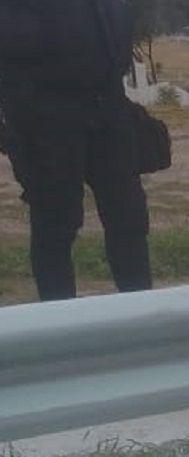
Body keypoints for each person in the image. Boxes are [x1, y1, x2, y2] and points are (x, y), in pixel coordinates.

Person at [0, 0, 152, 301]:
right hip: (47, 117)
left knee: (128, 216)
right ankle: (59, 325)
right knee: (56, 222)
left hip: (108, 105)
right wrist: (21, 121)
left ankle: (140, 313)